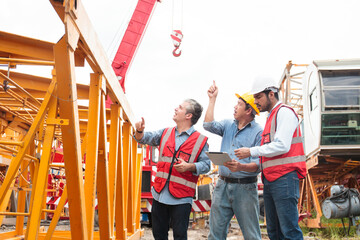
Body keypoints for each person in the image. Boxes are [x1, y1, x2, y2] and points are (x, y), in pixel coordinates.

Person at [227, 76, 307, 240]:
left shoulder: (284, 112)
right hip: (272, 179)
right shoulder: (272, 116)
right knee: (274, 232)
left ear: (271, 94)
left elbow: (282, 145)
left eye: (258, 97)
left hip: (284, 177)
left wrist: (251, 151)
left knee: (289, 231)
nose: (256, 101)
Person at [134, 99, 211, 240]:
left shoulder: (200, 141)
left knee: (180, 236)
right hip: (159, 193)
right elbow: (142, 138)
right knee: (158, 234)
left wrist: (190, 166)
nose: (176, 108)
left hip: (182, 198)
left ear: (188, 116)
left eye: (180, 107)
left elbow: (206, 165)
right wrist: (139, 130)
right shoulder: (165, 133)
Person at [203, 80, 263, 240]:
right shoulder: (228, 124)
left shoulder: (258, 133)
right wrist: (212, 99)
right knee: (215, 235)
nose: (235, 107)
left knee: (252, 236)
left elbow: (259, 166)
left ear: (249, 110)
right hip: (222, 186)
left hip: (245, 189)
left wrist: (240, 167)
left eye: (239, 104)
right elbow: (208, 125)